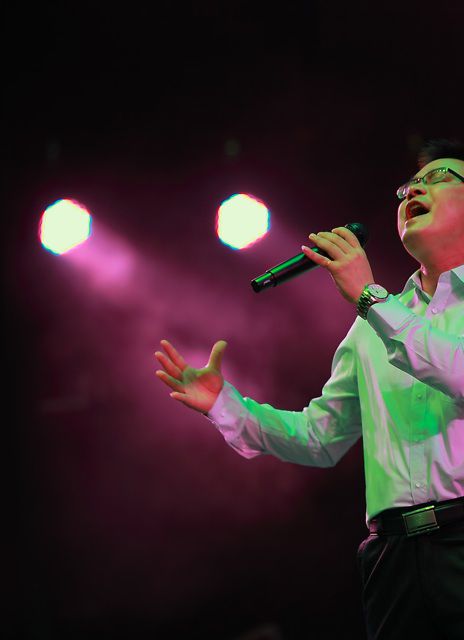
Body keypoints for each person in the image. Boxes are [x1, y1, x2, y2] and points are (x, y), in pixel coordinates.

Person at [154, 139, 464, 640]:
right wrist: (226, 406)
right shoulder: (373, 324)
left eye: (440, 177)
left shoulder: (377, 312)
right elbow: (321, 437)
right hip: (392, 559)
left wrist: (371, 298)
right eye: (409, 185)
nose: (414, 190)